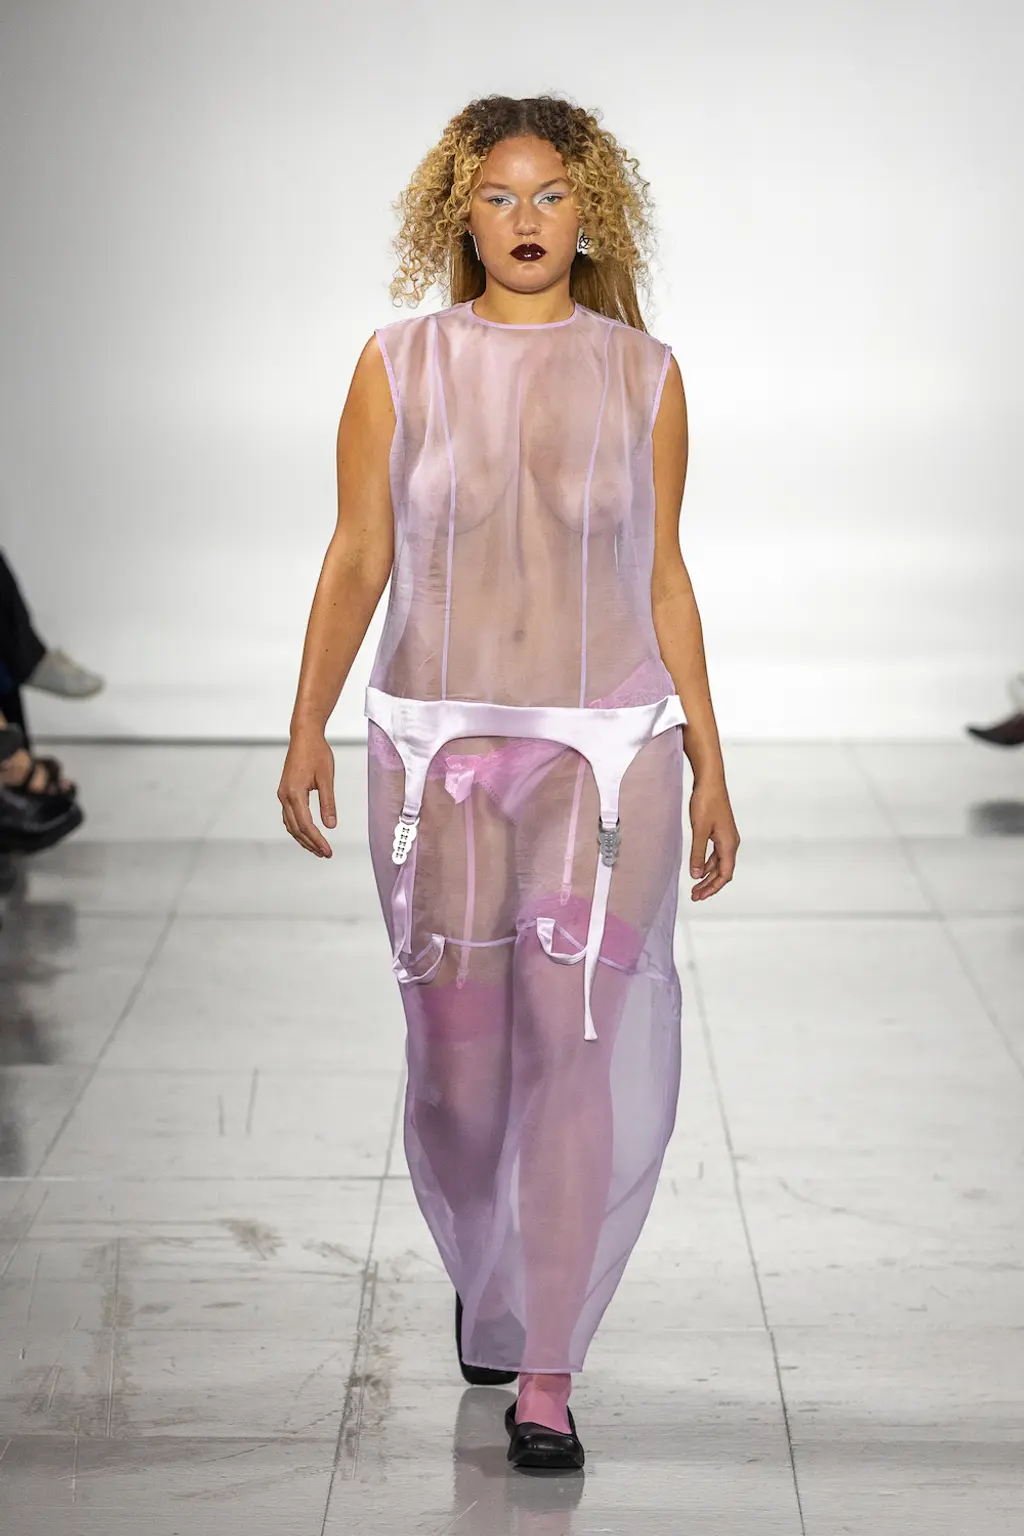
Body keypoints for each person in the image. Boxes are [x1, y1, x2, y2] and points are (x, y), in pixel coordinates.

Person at [278, 93, 740, 1471]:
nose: (526, 219)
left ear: (592, 212)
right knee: (461, 1075)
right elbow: (359, 554)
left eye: (551, 195)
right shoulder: (399, 362)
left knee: (575, 1046)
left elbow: (664, 574)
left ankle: (548, 1366)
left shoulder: (645, 374)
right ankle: (490, 1273)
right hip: (439, 754)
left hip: (607, 758)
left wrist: (712, 757)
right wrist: (305, 726)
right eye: (498, 196)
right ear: (458, 214)